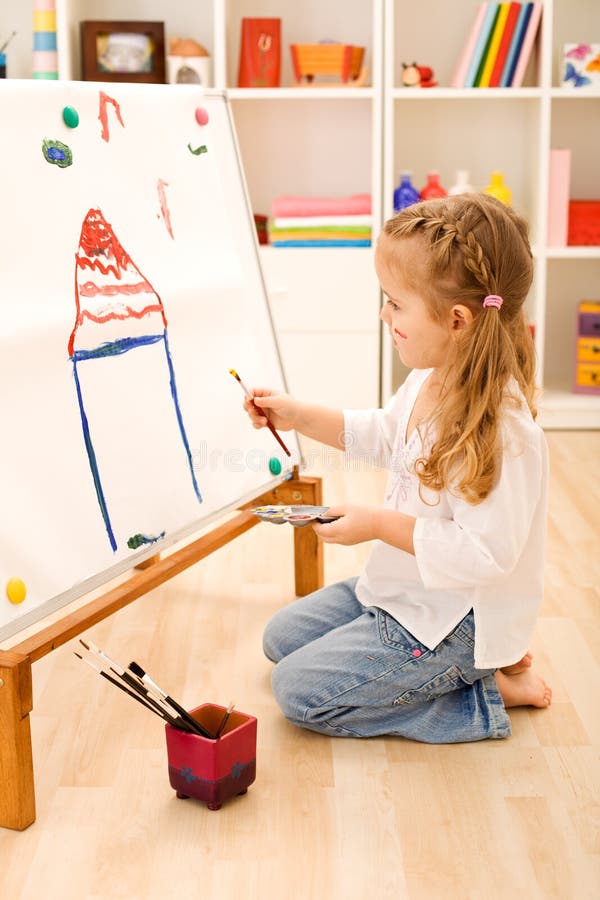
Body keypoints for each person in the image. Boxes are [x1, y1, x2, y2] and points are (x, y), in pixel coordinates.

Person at [244, 193, 552, 743]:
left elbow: (488, 555)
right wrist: (294, 414)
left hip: (460, 621)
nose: (383, 314)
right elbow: (383, 435)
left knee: (299, 694)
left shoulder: (505, 431)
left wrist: (378, 523)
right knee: (279, 639)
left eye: (394, 303)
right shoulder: (431, 378)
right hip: (402, 590)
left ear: (456, 320)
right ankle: (465, 675)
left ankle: (481, 695)